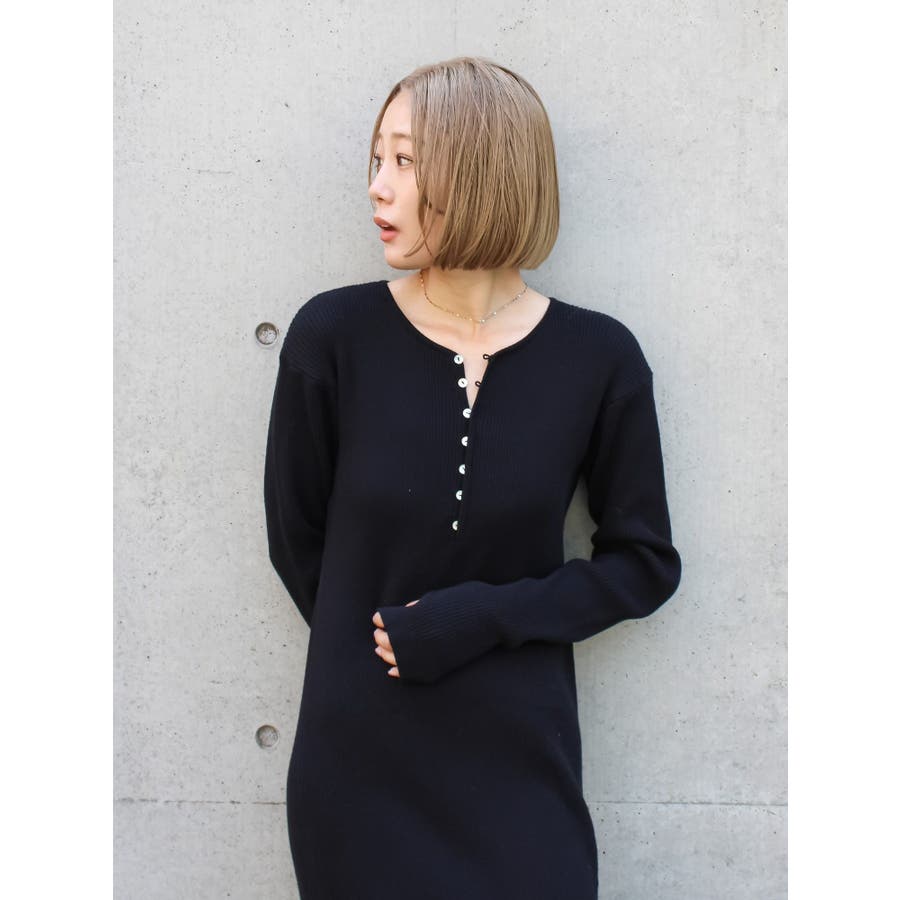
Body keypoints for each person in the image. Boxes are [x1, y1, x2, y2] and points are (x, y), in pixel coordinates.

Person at [264, 55, 681, 900]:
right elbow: (296, 540)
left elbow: (643, 563)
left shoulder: (599, 358)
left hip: (521, 759)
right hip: (360, 769)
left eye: (405, 161)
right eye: (376, 159)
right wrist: (372, 649)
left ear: (483, 170)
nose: (378, 187)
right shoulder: (332, 337)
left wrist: (483, 622)